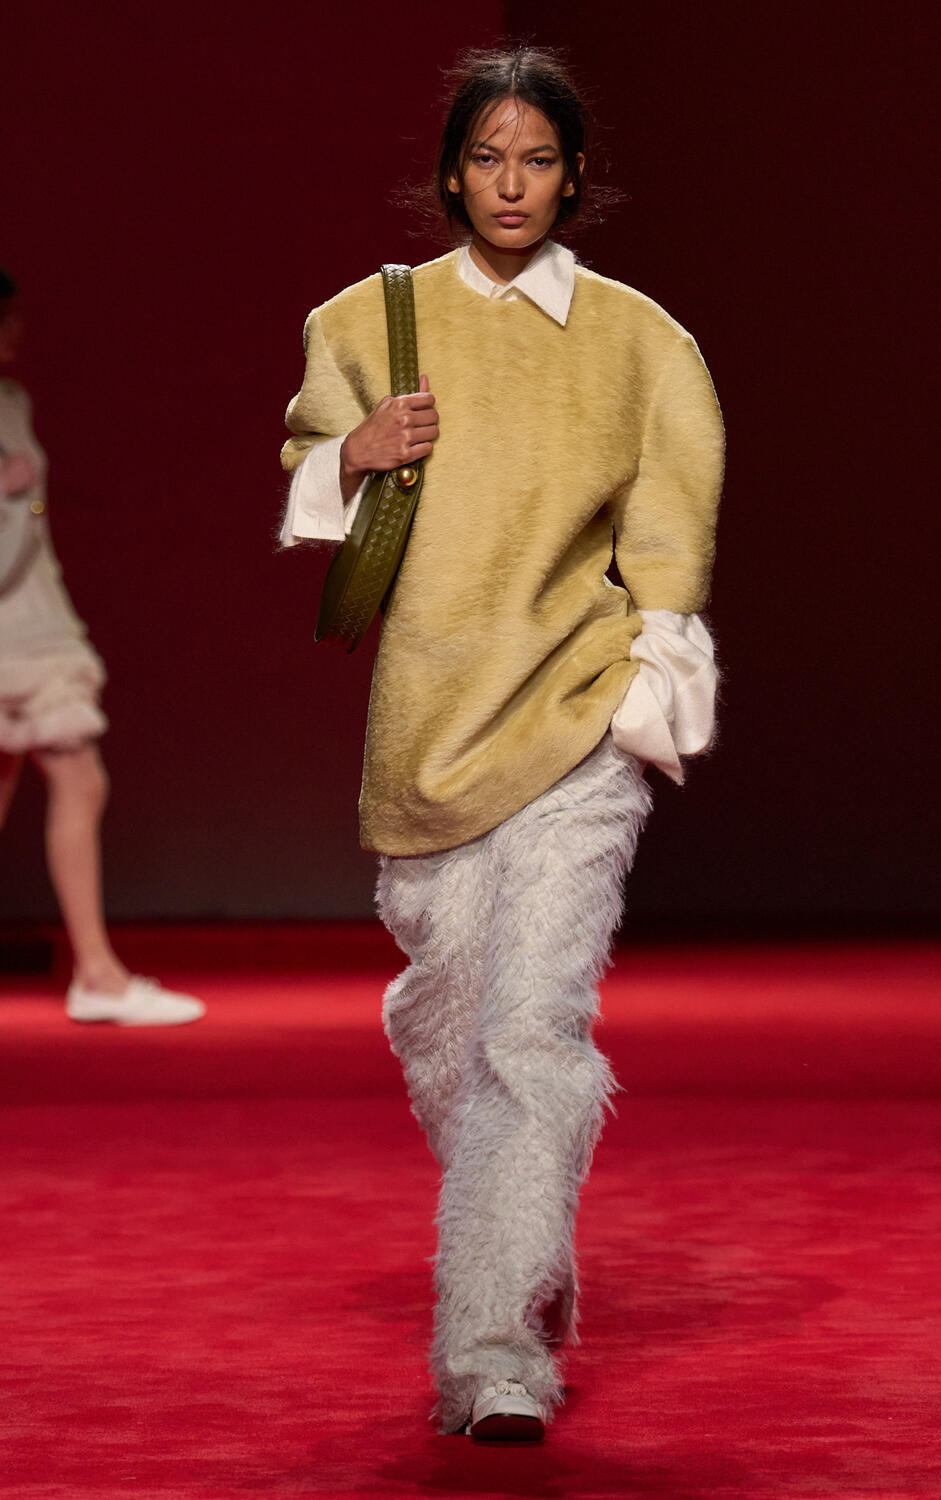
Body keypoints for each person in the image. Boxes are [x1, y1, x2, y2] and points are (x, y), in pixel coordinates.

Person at [279, 46, 724, 1441]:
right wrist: (353, 453)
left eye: (537, 159)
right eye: (488, 158)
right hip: (428, 733)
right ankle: (525, 1247)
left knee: (533, 1035)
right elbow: (306, 483)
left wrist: (651, 675)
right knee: (446, 1025)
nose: (512, 183)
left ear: (573, 175)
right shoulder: (368, 320)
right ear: (452, 174)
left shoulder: (641, 342)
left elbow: (670, 533)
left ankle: (491, 1354)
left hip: (577, 713)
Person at [0, 270, 204, 1026]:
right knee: (79, 779)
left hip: (31, 613)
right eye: (3, 319)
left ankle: (97, 972)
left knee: (63, 781)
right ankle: (96, 974)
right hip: (15, 630)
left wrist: (21, 502)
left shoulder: (12, 400)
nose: (14, 332)